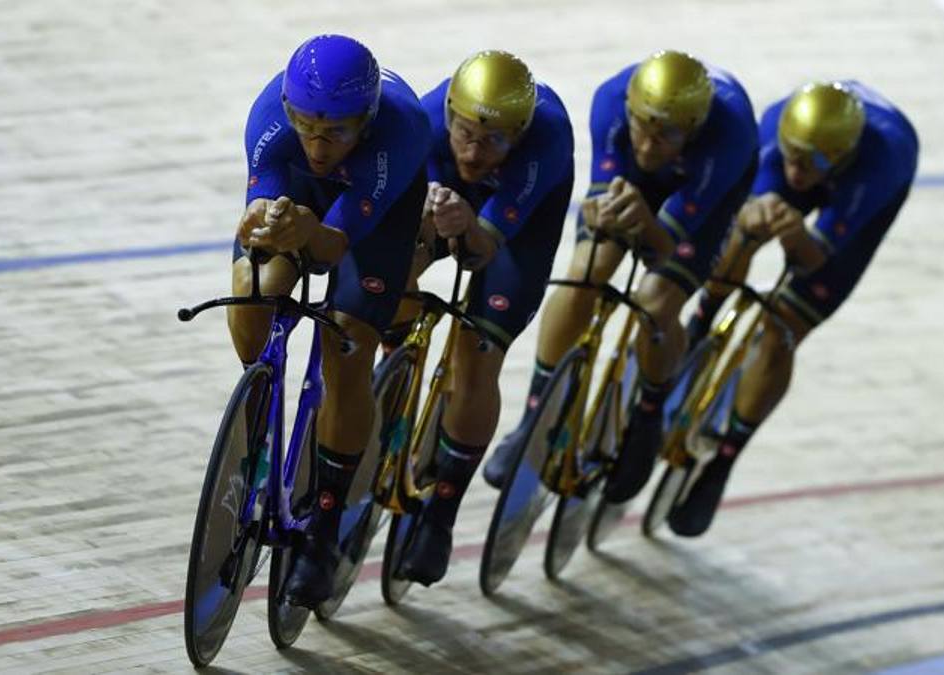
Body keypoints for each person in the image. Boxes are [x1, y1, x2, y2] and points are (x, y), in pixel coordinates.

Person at [484, 50, 759, 505]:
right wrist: (601, 210)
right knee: (586, 272)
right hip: (637, 181)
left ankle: (648, 414)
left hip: (703, 188)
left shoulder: (728, 137)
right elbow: (603, 195)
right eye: (642, 128)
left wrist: (648, 225)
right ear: (630, 109)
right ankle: (536, 414)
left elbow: (664, 249)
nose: (649, 146)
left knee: (657, 302)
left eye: (666, 134)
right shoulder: (610, 101)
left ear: (693, 128)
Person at [227, 34, 432, 606]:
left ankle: (324, 524)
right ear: (289, 110)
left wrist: (308, 232)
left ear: (364, 120)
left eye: (335, 132)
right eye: (307, 128)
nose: (318, 146)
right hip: (301, 198)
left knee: (348, 346)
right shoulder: (270, 118)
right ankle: (260, 425)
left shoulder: (400, 131)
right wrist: (262, 224)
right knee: (252, 292)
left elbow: (334, 245)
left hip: (375, 215)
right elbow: (262, 205)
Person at [667, 80, 920, 536]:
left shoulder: (879, 164)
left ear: (840, 156)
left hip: (860, 193)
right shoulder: (773, 133)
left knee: (783, 328)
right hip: (806, 153)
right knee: (740, 230)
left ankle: (723, 461)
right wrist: (755, 215)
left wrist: (796, 237)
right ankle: (701, 325)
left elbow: (815, 260)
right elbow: (746, 208)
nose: (799, 172)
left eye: (812, 163)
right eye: (793, 157)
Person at [392, 51, 574, 586]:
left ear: (517, 135)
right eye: (465, 134)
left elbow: (480, 253)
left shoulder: (545, 142)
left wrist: (466, 223)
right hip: (442, 203)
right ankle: (392, 373)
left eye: (493, 141)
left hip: (516, 232)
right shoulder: (423, 120)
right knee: (393, 268)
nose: (474, 152)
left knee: (478, 353)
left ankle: (442, 513)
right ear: (449, 116)